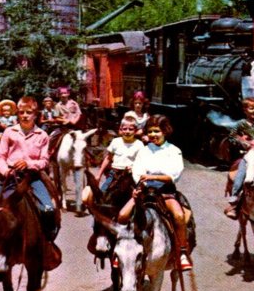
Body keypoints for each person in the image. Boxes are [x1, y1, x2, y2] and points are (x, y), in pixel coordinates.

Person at [0, 96, 62, 271]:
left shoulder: (42, 135)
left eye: (29, 112)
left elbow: (45, 160)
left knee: (47, 208)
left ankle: (47, 242)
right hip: (9, 176)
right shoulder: (9, 132)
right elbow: (0, 156)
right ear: (17, 114)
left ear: (35, 114)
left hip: (33, 177)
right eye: (21, 112)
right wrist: (5, 169)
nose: (25, 116)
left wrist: (29, 164)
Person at [114, 115, 191, 271]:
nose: (153, 135)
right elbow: (137, 170)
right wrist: (140, 185)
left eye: (157, 131)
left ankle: (182, 252)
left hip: (164, 191)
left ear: (165, 132)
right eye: (150, 132)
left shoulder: (174, 151)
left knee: (179, 215)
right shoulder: (144, 151)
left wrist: (153, 176)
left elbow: (173, 175)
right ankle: (119, 249)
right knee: (122, 215)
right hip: (145, 189)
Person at [82, 117, 144, 255]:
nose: (127, 131)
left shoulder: (139, 145)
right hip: (114, 175)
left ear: (135, 131)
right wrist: (99, 174)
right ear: (120, 130)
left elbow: (141, 161)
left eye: (131, 129)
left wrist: (133, 168)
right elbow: (108, 158)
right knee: (100, 200)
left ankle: (137, 230)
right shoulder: (116, 142)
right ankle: (97, 232)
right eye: (124, 129)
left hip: (131, 176)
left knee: (138, 200)